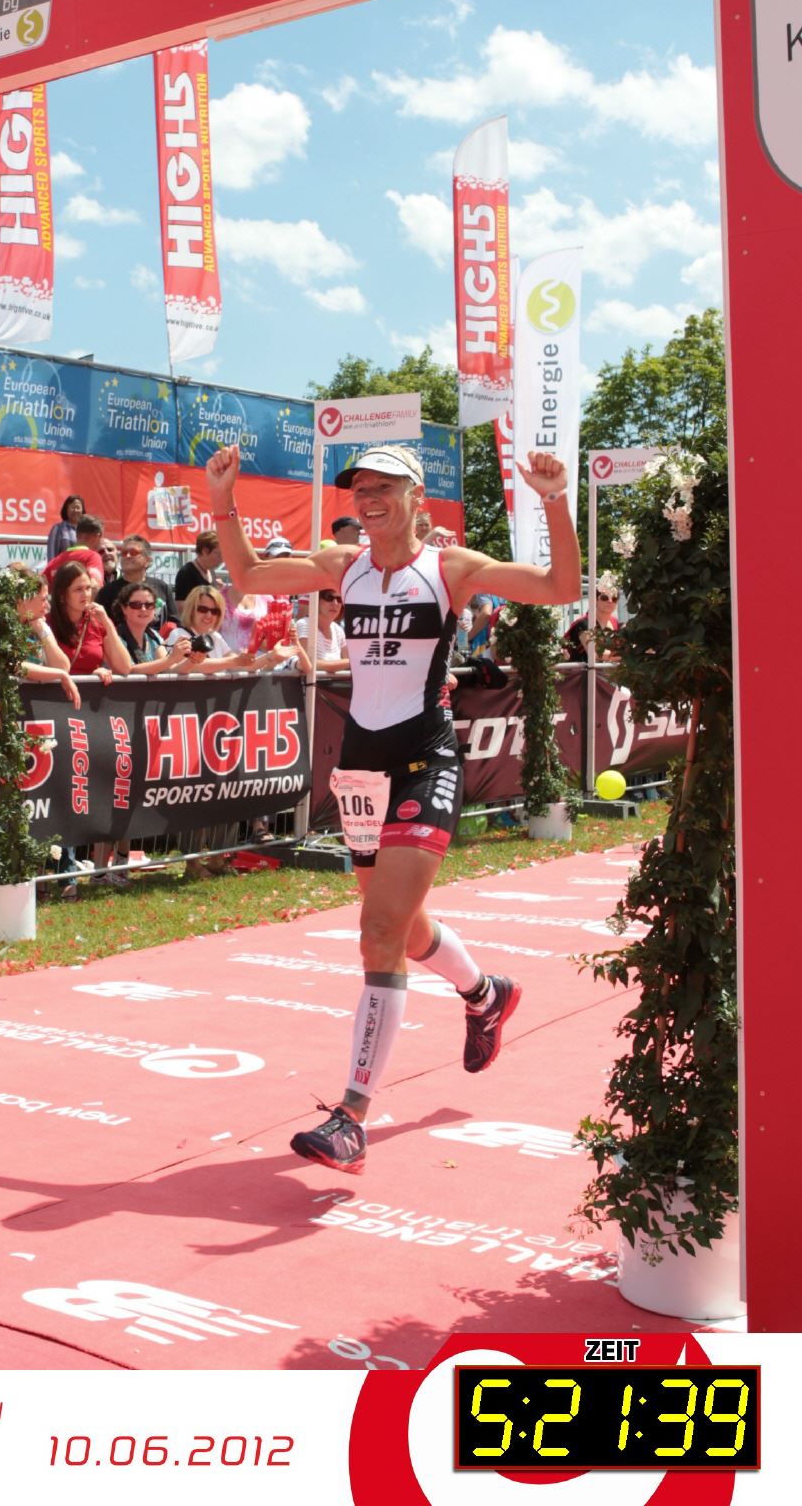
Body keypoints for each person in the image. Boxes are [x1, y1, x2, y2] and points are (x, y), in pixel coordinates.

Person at [204, 436, 580, 1174]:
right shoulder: (341, 566)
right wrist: (223, 501)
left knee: (378, 930)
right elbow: (246, 574)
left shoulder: (450, 568)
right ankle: (486, 992)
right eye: (360, 489)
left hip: (424, 763)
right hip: (361, 769)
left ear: (416, 498)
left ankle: (351, 1115)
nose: (368, 499)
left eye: (384, 487)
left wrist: (555, 502)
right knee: (401, 929)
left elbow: (561, 585)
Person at [47, 560, 132, 680]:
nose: (86, 594)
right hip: (54, 691)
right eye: (78, 589)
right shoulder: (46, 624)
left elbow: (124, 668)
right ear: (62, 594)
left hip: (89, 691)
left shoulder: (98, 622)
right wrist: (87, 677)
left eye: (88, 588)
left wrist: (107, 623)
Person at [14, 572, 81, 705]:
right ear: (24, 600)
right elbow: (15, 666)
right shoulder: (3, 627)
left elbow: (62, 667)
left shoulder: (36, 626)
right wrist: (60, 675)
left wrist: (43, 631)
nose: (47, 606)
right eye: (43, 599)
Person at [99, 534, 181, 626]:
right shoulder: (107, 592)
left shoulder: (162, 587)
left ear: (147, 560)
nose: (128, 556)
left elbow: (174, 622)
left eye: (133, 552)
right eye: (124, 553)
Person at [113, 583, 195, 675]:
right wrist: (171, 659)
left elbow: (169, 670)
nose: (143, 609)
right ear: (123, 608)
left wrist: (193, 660)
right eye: (136, 604)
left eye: (149, 605)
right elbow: (129, 671)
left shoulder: (153, 636)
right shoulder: (114, 638)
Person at [44, 512, 106, 591]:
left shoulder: (53, 562)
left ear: (77, 535)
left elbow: (37, 588)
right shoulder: (93, 557)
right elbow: (94, 586)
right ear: (99, 535)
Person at [564, 575, 620, 661]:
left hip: (606, 669)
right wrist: (628, 655)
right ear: (595, 600)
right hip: (582, 669)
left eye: (614, 598)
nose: (610, 601)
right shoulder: (583, 623)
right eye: (604, 597)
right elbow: (595, 654)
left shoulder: (615, 622)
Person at [174, 529, 224, 603]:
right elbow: (181, 606)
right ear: (205, 551)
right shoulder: (187, 573)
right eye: (218, 554)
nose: (222, 559)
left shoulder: (210, 571)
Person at [46, 493, 85, 561]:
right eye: (72, 507)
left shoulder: (86, 529)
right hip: (64, 567)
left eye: (78, 507)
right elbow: (51, 554)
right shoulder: (58, 528)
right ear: (66, 510)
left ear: (82, 510)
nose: (75, 510)